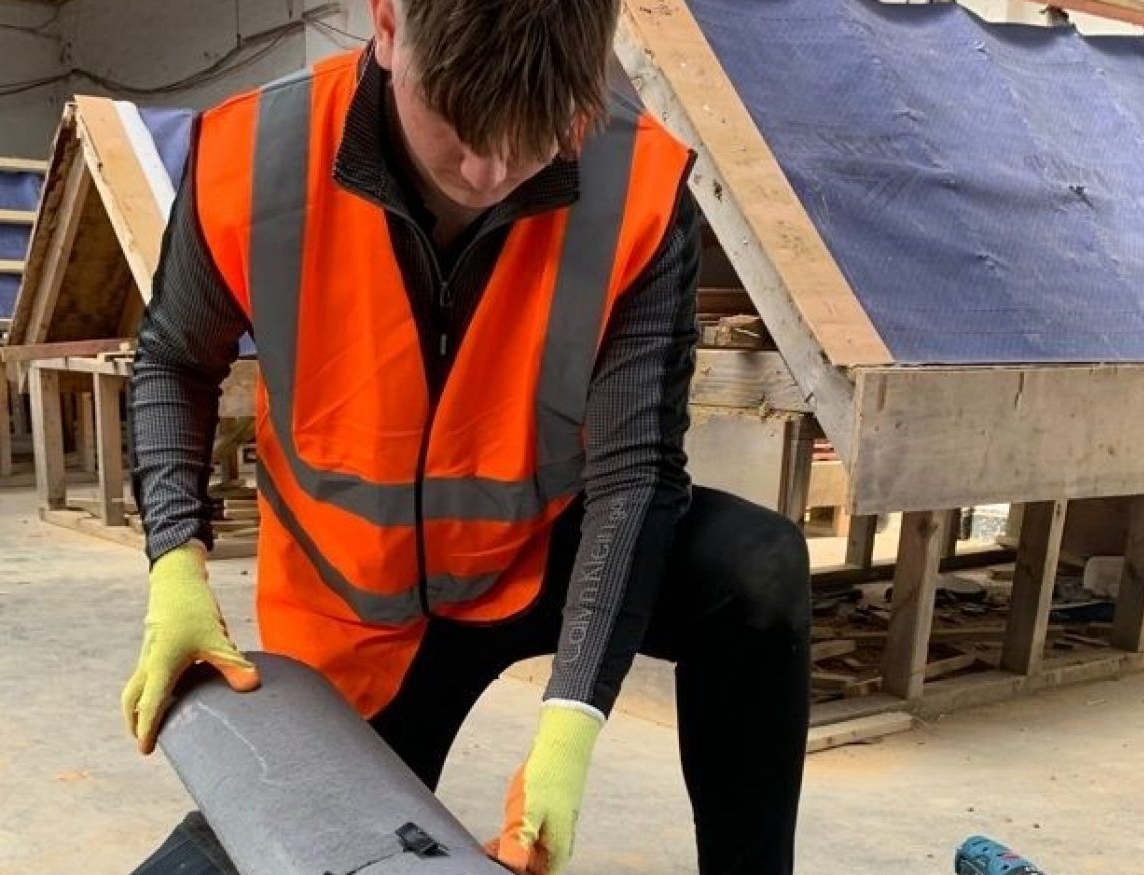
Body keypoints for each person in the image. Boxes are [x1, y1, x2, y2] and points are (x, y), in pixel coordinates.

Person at [120, 0, 811, 872]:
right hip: (356, 607)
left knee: (753, 568)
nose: (487, 171)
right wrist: (175, 560)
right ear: (386, 26)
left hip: (535, 552)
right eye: (456, 123)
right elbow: (173, 362)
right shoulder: (255, 157)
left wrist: (573, 717)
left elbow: (637, 471)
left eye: (534, 136)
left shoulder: (635, 182)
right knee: (292, 848)